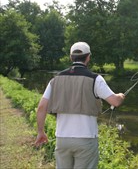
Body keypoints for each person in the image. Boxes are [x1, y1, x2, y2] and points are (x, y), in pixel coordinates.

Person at [35, 41, 125, 169]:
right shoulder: (95, 79)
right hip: (86, 139)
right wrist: (121, 96)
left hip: (62, 139)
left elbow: (41, 107)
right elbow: (115, 102)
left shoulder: (55, 79)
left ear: (71, 57)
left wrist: (40, 132)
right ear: (88, 57)